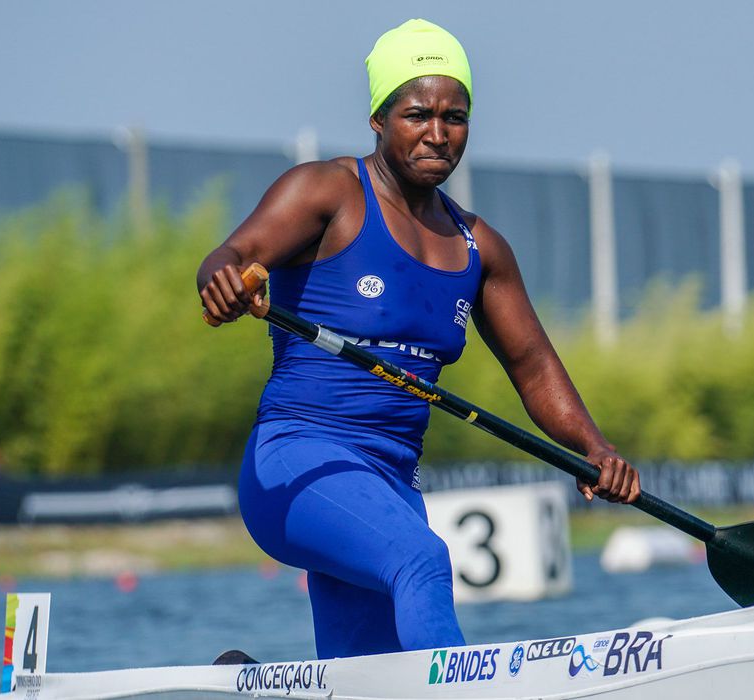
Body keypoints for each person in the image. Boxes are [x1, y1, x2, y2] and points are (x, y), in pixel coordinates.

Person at [197, 19, 640, 660]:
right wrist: (221, 283)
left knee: (371, 677)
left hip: (392, 482)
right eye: (417, 115)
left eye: (454, 117)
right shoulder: (327, 191)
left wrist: (594, 448)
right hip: (297, 461)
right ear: (378, 119)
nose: (438, 133)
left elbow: (533, 364)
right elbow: (231, 255)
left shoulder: (480, 247)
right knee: (423, 560)